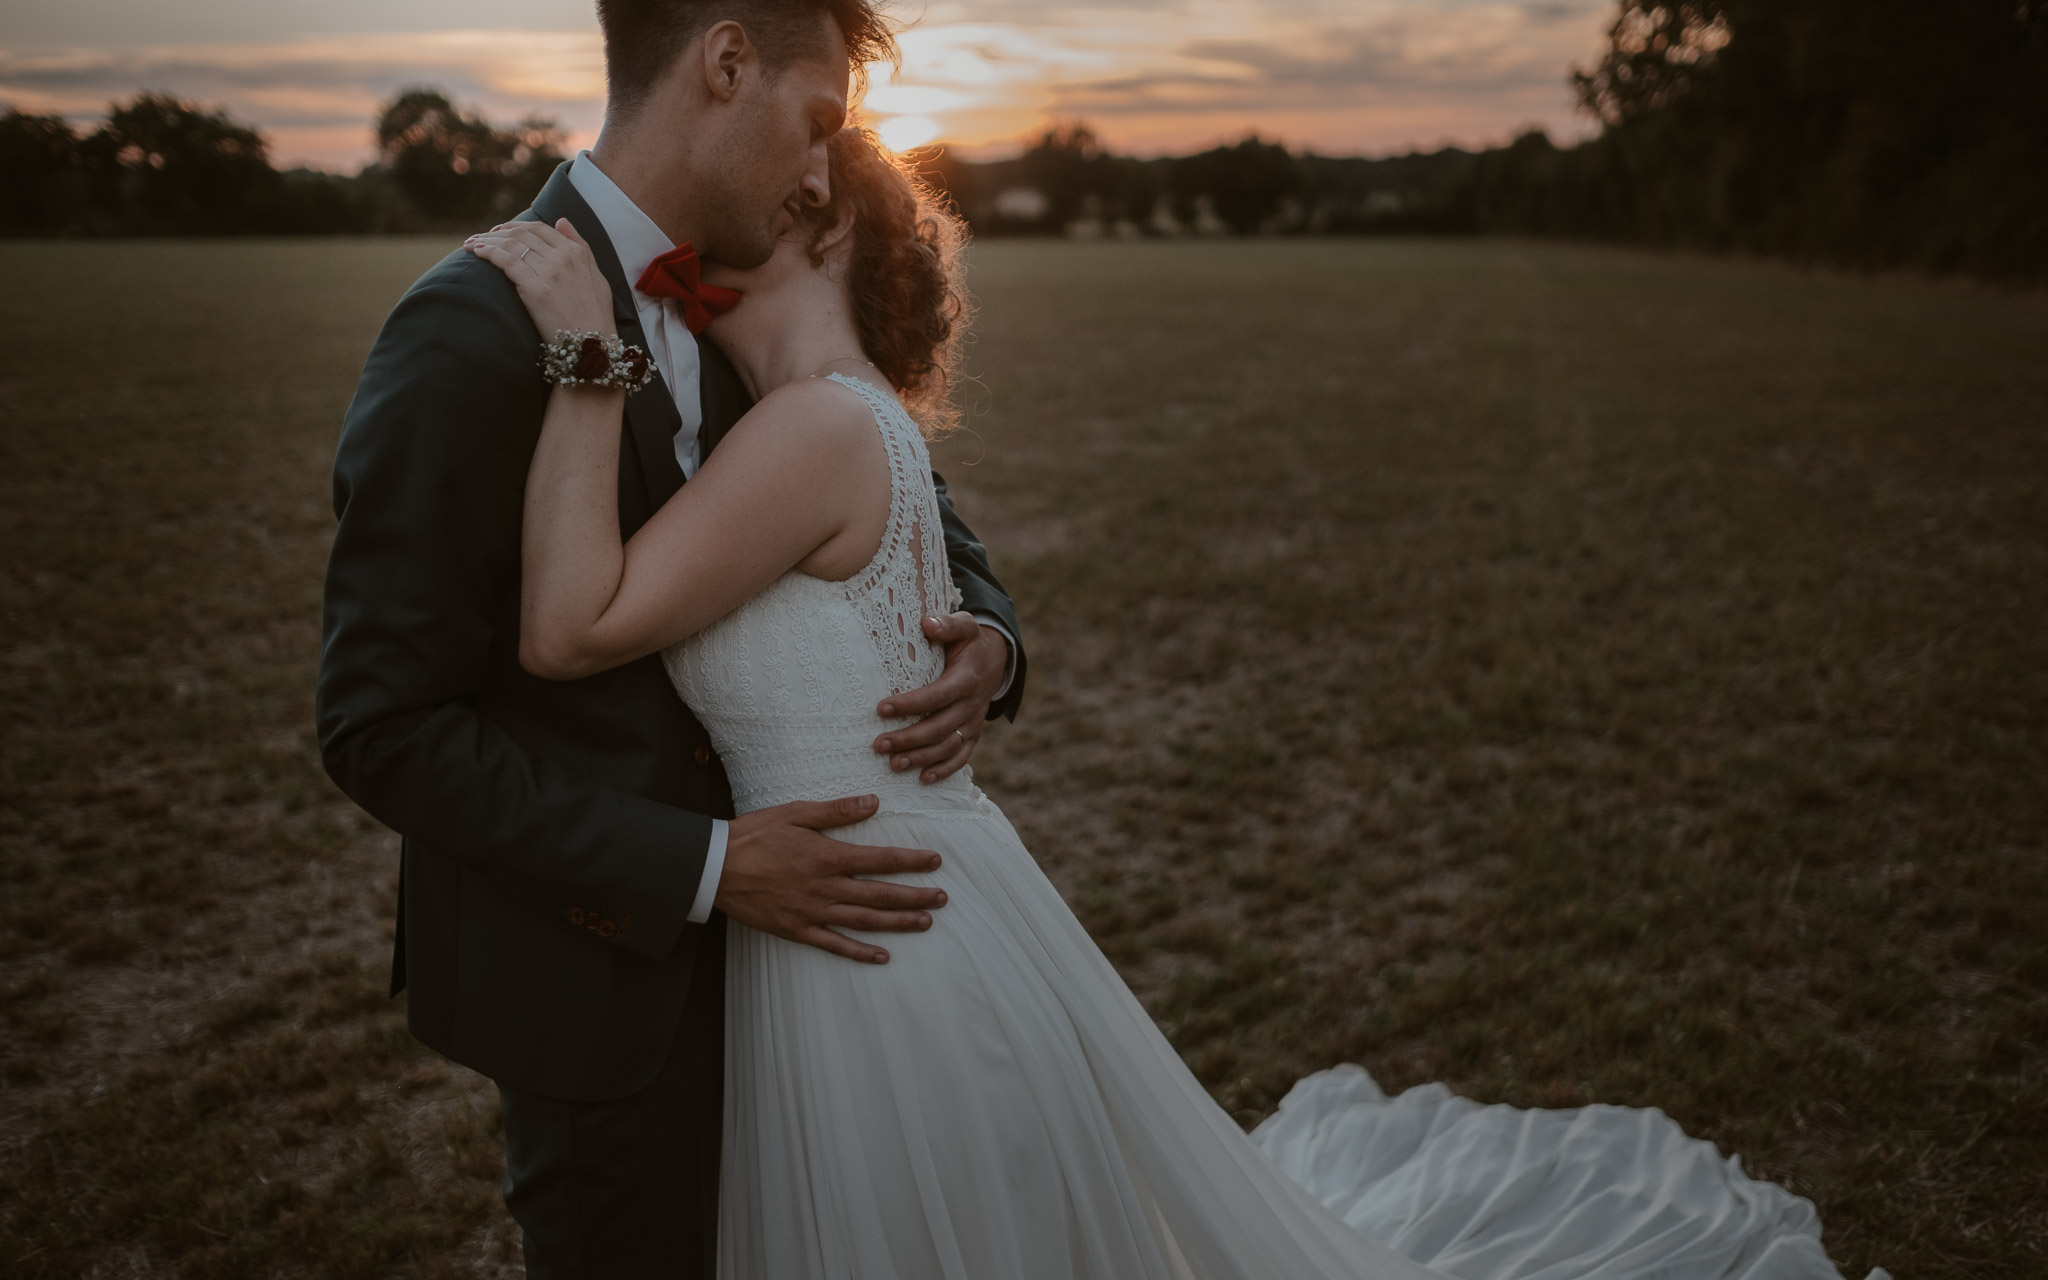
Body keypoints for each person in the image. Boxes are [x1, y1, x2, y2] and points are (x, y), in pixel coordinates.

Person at [462, 113, 1878, 1279]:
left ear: (828, 225)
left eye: (787, 184)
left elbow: (573, 625)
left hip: (879, 955)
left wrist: (584, 348)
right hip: (875, 916)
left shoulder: (815, 427)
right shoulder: (831, 421)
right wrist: (991, 645)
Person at [316, 3, 1024, 1274]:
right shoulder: (468, 331)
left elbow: (905, 489)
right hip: (603, 983)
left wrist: (984, 632)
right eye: (816, 126)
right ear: (725, 62)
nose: (821, 173)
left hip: (820, 966)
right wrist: (701, 866)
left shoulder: (752, 293)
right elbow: (381, 725)